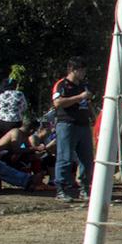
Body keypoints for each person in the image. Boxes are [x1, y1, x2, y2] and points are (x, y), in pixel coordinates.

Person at [51, 58, 95, 201]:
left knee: (87, 158)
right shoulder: (62, 85)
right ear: (72, 69)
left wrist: (92, 116)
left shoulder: (84, 85)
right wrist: (79, 97)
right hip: (66, 124)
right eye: (81, 69)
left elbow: (87, 102)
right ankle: (61, 189)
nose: (83, 73)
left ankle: (84, 188)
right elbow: (57, 102)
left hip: (83, 125)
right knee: (65, 157)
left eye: (84, 69)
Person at [0, 69, 29, 141]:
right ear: (14, 86)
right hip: (15, 123)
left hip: (1, 122)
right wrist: (17, 111)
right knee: (15, 143)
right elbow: (24, 107)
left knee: (1, 143)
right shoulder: (19, 94)